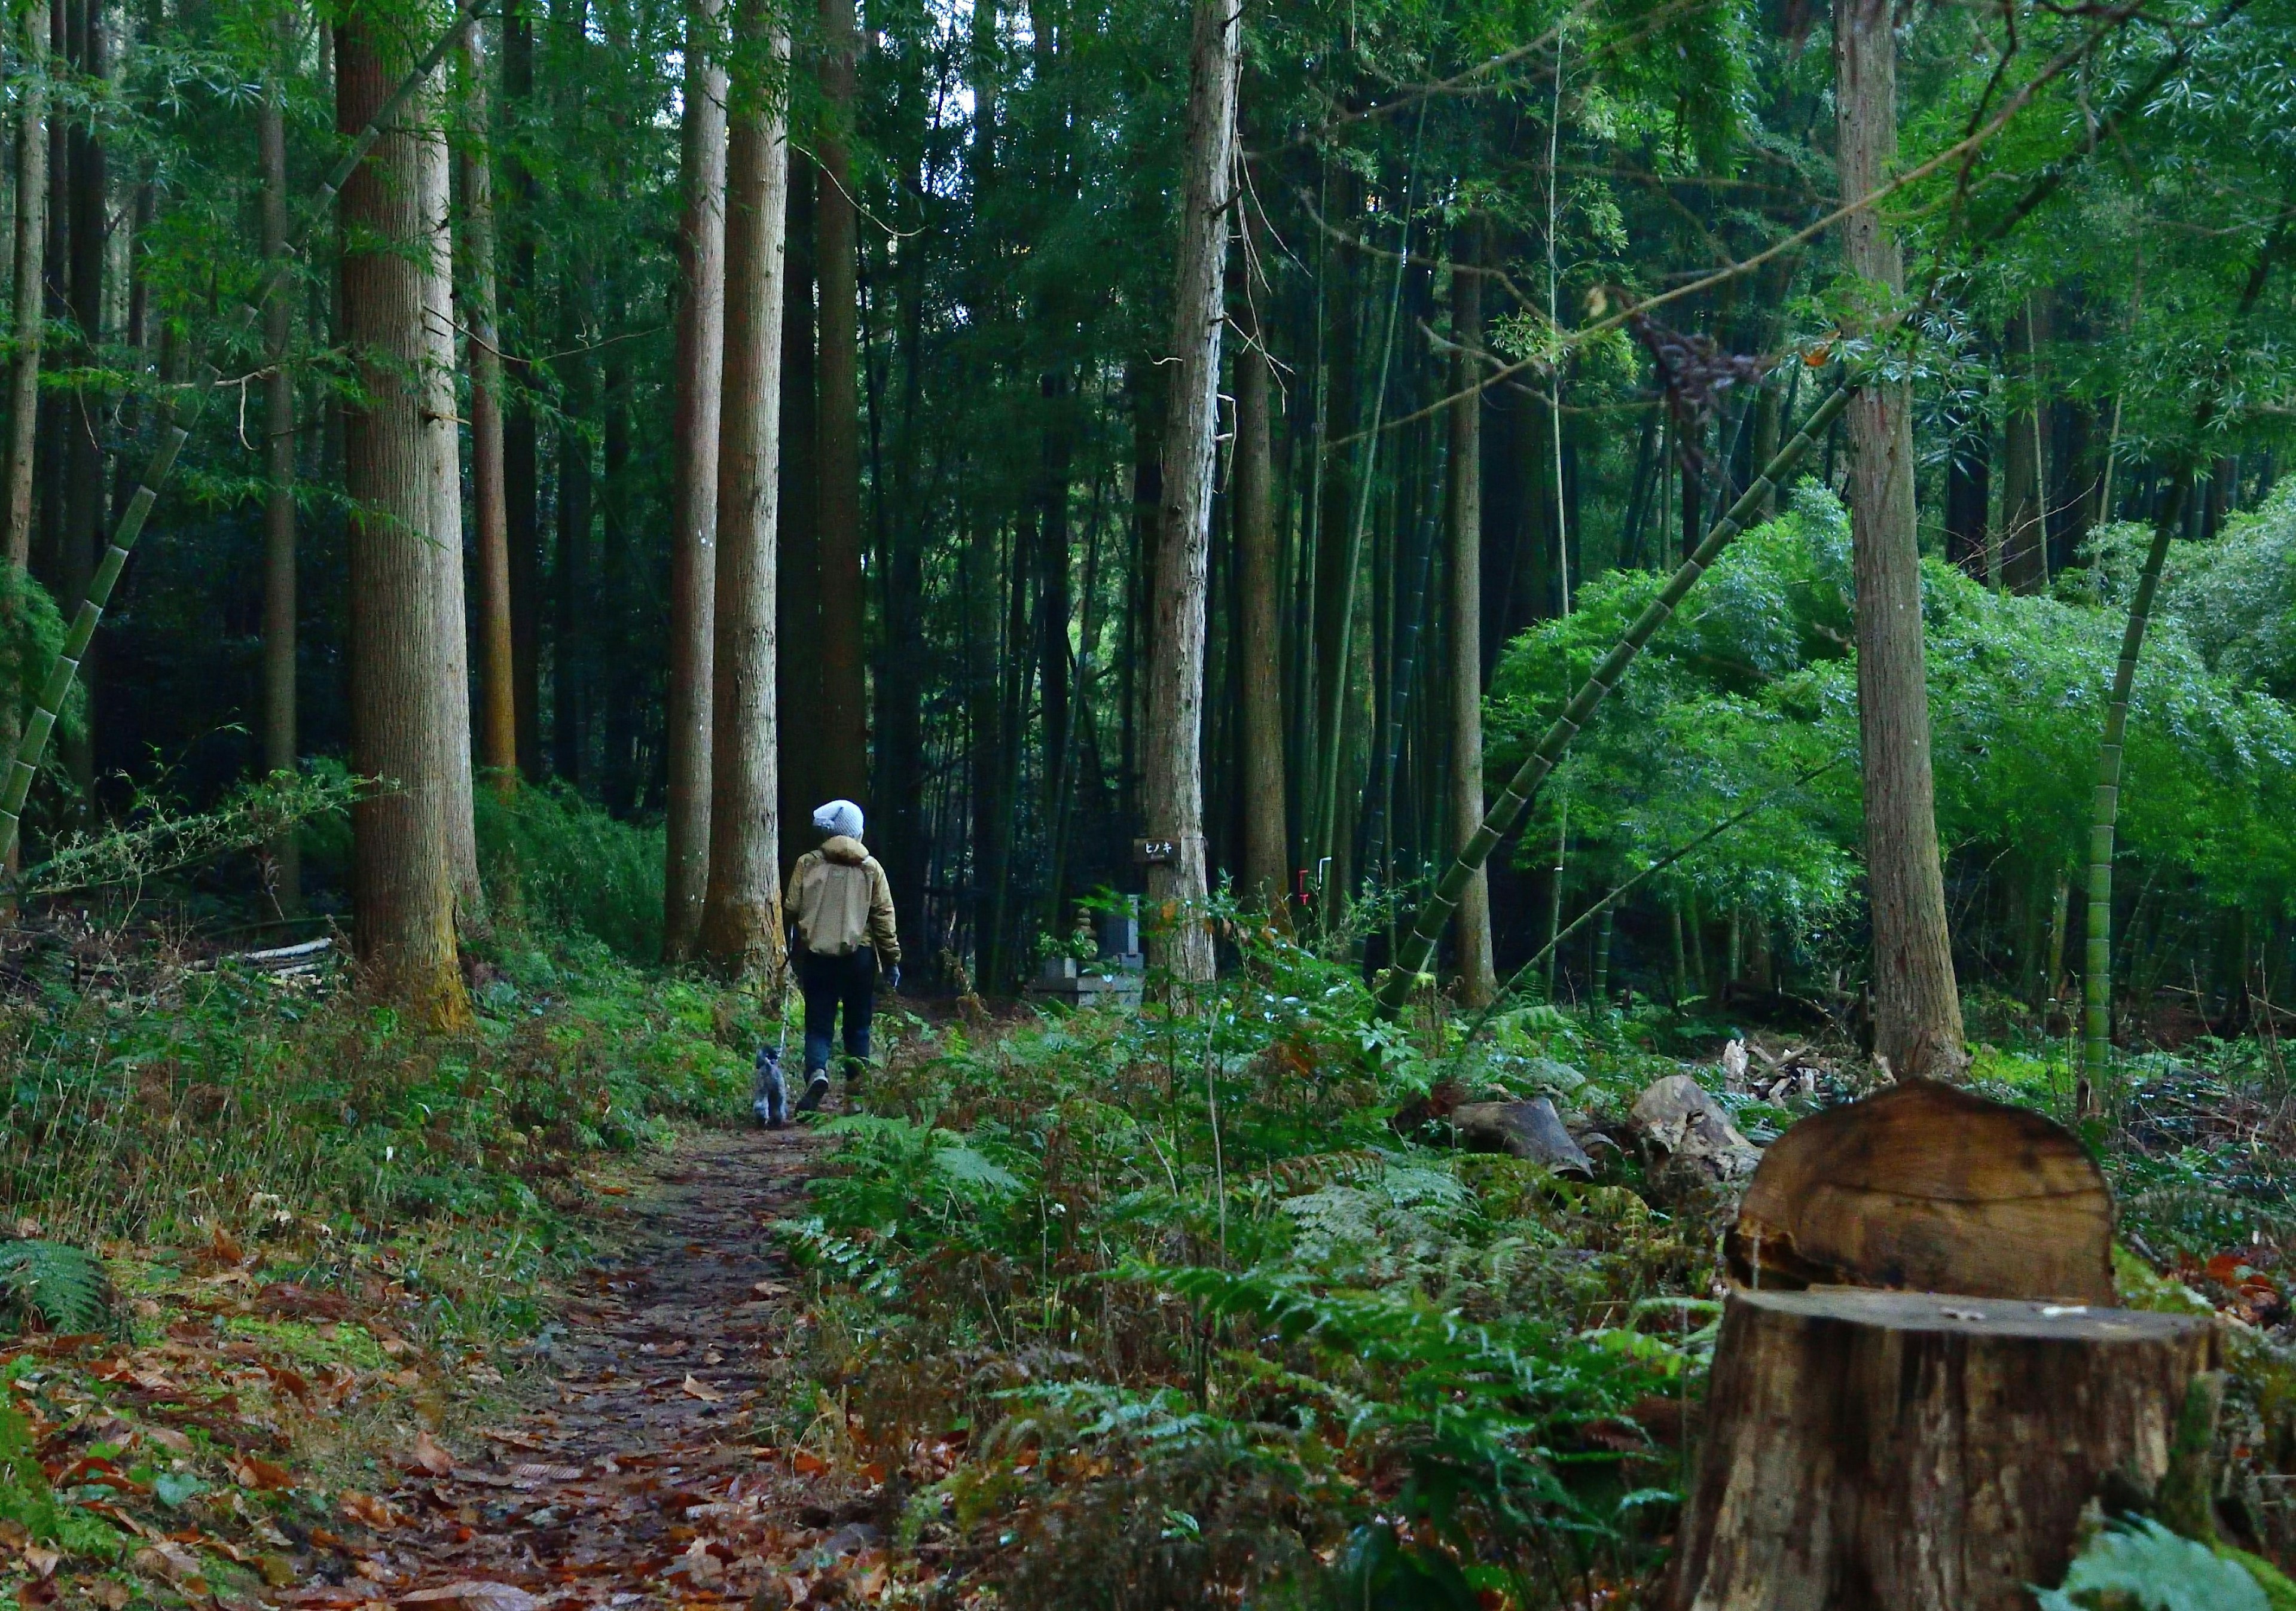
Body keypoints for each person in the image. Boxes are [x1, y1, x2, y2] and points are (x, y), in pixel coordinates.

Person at [784, 799, 901, 1115]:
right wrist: (891, 960)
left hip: (818, 957)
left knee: (819, 1025)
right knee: (859, 1027)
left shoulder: (808, 863)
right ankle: (856, 1095)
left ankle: (818, 1073)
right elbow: (883, 917)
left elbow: (792, 907)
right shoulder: (870, 869)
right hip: (859, 958)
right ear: (858, 833)